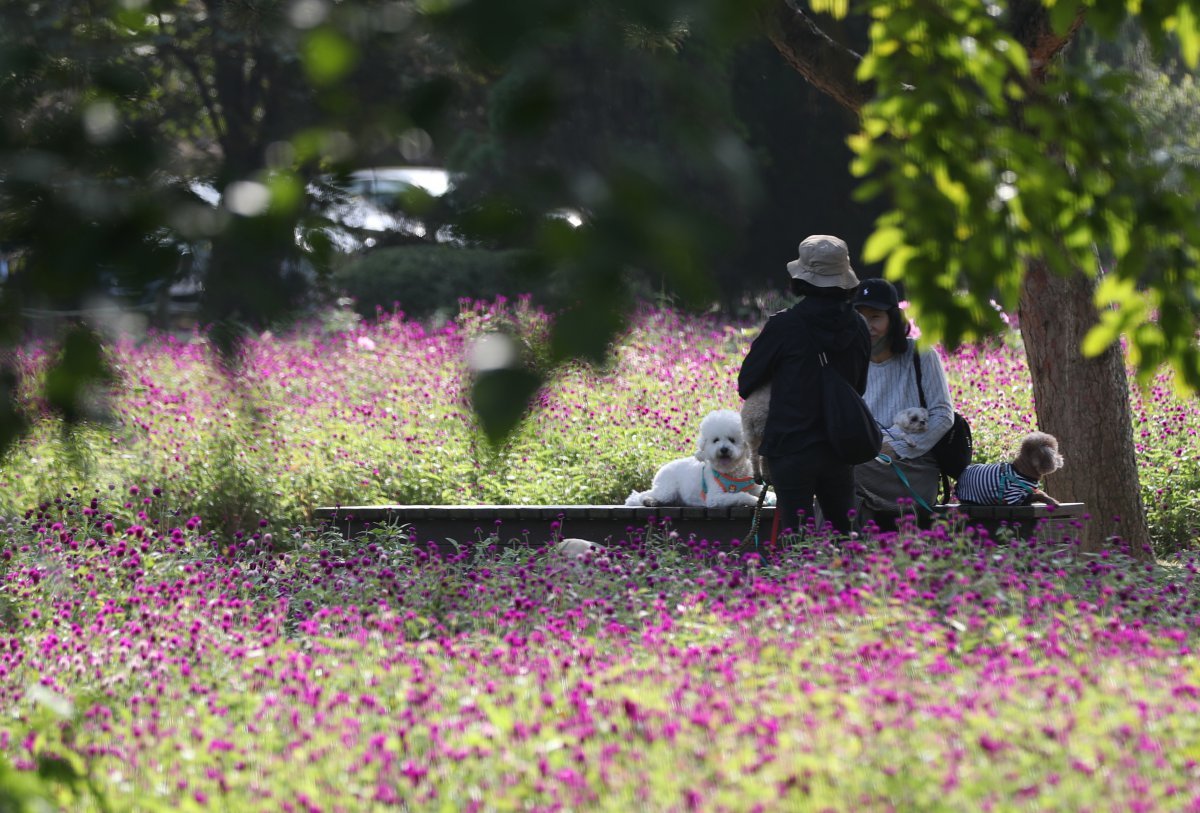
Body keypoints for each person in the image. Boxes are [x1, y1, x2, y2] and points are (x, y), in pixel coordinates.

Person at [738, 235, 871, 535]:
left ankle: (800, 584)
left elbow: (746, 383)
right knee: (846, 535)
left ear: (801, 279)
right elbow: (858, 386)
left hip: (791, 448)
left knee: (796, 539)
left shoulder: (784, 326)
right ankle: (854, 582)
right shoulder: (859, 325)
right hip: (840, 446)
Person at [851, 278, 955, 528]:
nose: (868, 325)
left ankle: (825, 552)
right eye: (860, 317)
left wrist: (895, 447)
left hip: (913, 467)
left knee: (837, 473)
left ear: (893, 320)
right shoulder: (851, 361)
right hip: (864, 463)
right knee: (836, 477)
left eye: (875, 317)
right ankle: (838, 553)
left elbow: (942, 415)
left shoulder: (921, 355)